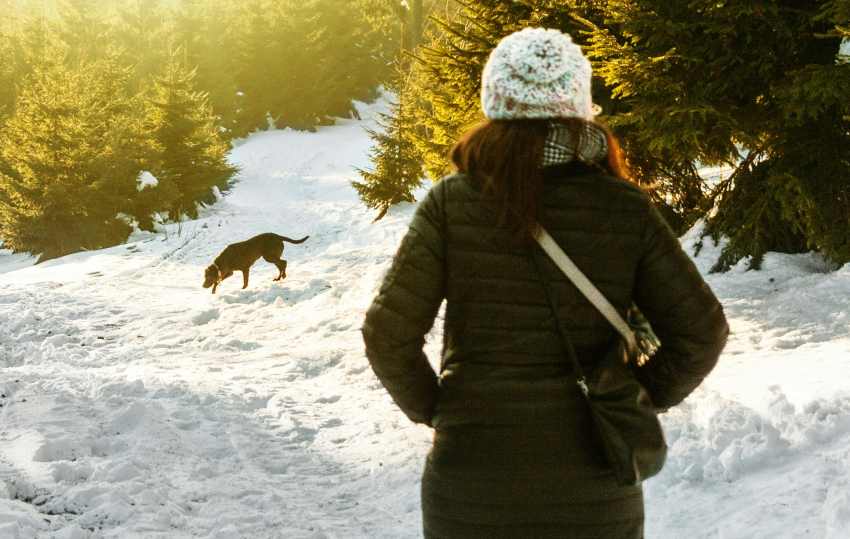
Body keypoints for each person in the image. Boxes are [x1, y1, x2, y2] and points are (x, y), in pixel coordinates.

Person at [362, 28, 728, 539]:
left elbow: (386, 333)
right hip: (595, 485)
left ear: (496, 102)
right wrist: (633, 396)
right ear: (578, 106)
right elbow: (701, 333)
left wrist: (439, 409)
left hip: (471, 483)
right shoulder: (624, 208)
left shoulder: (451, 202)